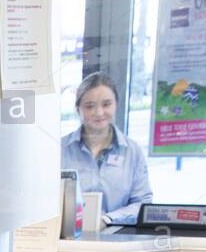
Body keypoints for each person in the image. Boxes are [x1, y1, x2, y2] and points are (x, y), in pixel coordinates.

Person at [61, 72, 152, 226]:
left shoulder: (132, 152)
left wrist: (108, 219)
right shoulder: (59, 149)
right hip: (68, 239)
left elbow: (142, 203)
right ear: (78, 109)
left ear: (116, 104)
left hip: (117, 241)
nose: (99, 113)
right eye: (90, 106)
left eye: (106, 104)